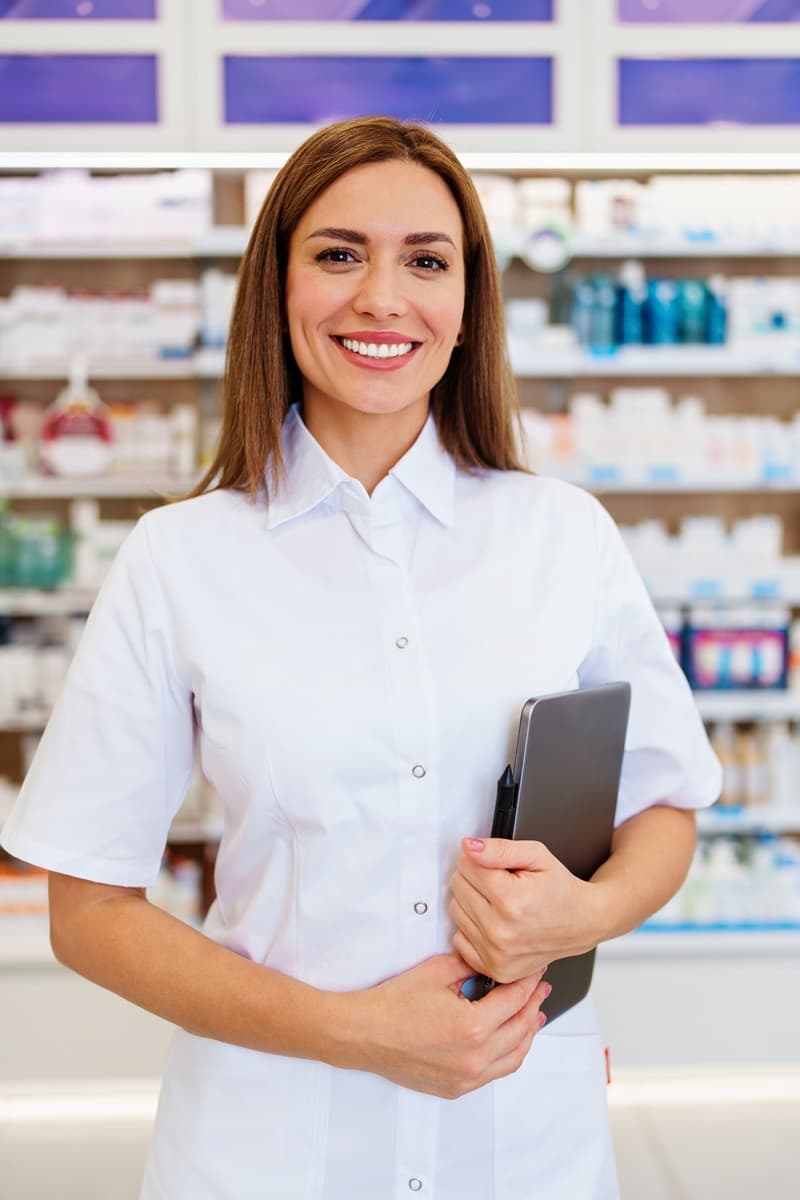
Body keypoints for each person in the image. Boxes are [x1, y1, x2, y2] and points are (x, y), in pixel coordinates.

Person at [0, 116, 721, 1199]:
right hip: (270, 1142)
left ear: (468, 303)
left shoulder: (559, 534)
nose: (382, 298)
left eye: (424, 261)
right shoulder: (182, 556)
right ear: (275, 285)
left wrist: (590, 911)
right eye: (338, 254)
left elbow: (663, 809)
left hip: (520, 1133)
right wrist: (351, 1032)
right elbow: (89, 912)